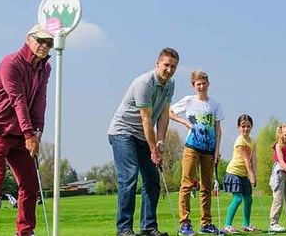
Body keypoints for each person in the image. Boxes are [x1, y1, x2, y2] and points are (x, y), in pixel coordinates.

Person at [0, 24, 52, 236]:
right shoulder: (11, 63)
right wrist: (29, 133)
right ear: (28, 39)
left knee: (29, 182)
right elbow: (17, 100)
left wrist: (37, 131)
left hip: (18, 134)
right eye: (40, 40)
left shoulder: (45, 68)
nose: (45, 46)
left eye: (49, 43)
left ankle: (26, 231)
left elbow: (39, 100)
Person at [107, 47, 179, 236]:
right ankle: (123, 228)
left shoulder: (170, 85)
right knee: (129, 177)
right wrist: (153, 149)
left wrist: (161, 142)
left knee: (152, 180)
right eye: (166, 65)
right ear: (157, 64)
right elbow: (146, 119)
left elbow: (164, 115)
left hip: (141, 136)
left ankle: (148, 227)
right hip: (123, 132)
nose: (169, 70)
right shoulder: (144, 83)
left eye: (173, 67)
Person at [169, 70, 223, 235]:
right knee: (187, 184)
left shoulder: (214, 104)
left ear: (208, 84)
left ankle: (206, 223)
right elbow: (169, 112)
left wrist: (217, 150)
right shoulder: (188, 101)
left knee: (206, 187)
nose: (201, 86)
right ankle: (185, 223)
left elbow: (218, 129)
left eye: (203, 83)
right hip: (192, 147)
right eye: (198, 84)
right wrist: (183, 122)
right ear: (193, 86)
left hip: (208, 150)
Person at [221, 114, 262, 234]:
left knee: (248, 200)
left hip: (244, 174)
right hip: (234, 173)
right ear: (238, 127)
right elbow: (246, 161)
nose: (246, 129)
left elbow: (253, 159)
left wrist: (255, 175)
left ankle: (246, 225)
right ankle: (227, 225)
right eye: (243, 126)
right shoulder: (240, 141)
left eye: (248, 126)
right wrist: (252, 175)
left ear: (252, 127)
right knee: (238, 199)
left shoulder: (252, 141)